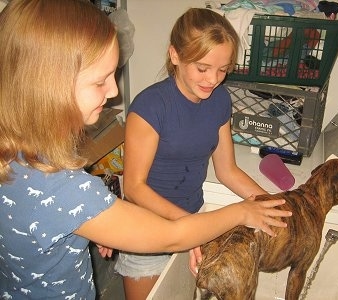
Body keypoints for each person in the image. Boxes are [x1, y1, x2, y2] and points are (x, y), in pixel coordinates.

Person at [0, 1, 292, 299]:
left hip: (185, 221)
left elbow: (226, 170)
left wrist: (97, 221)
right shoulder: (71, 186)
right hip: (165, 226)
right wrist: (240, 212)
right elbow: (159, 220)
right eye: (100, 81)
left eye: (223, 69)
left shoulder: (24, 161)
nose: (115, 92)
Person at [114, 7, 291, 300]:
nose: (213, 79)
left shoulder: (220, 100)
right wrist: (189, 227)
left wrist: (272, 204)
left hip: (192, 219)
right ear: (175, 56)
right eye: (203, 68)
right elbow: (134, 188)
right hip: (144, 226)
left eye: (223, 70)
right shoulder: (150, 108)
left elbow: (227, 170)